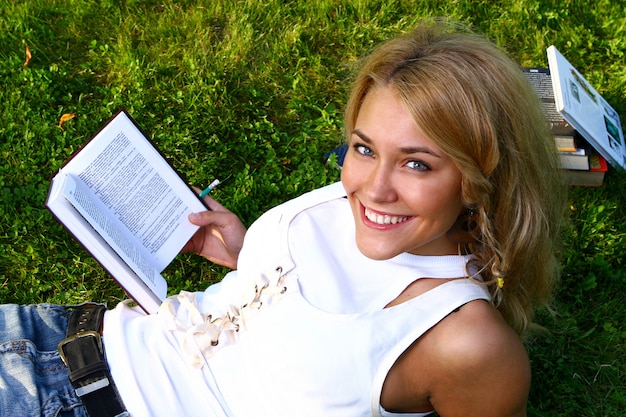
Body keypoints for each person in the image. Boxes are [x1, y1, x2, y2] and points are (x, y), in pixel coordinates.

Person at [0, 18, 565, 417]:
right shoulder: (365, 201)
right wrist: (246, 254)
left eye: (417, 163)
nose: (372, 188)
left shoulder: (467, 347)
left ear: (479, 174)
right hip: (62, 335)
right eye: (363, 148)